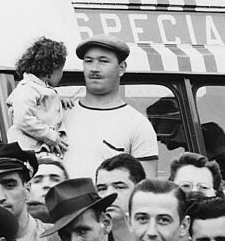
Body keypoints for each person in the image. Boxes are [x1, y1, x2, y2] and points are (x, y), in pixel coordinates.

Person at [61, 37, 160, 183]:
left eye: (103, 61)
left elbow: (145, 191)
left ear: (121, 68)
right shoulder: (60, 114)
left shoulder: (138, 124)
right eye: (89, 61)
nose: (94, 68)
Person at [8, 36, 70, 164]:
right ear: (50, 70)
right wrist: (51, 136)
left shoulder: (40, 89)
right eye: (61, 70)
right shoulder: (27, 89)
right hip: (27, 151)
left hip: (39, 151)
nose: (62, 74)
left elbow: (43, 109)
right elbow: (23, 119)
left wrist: (60, 102)